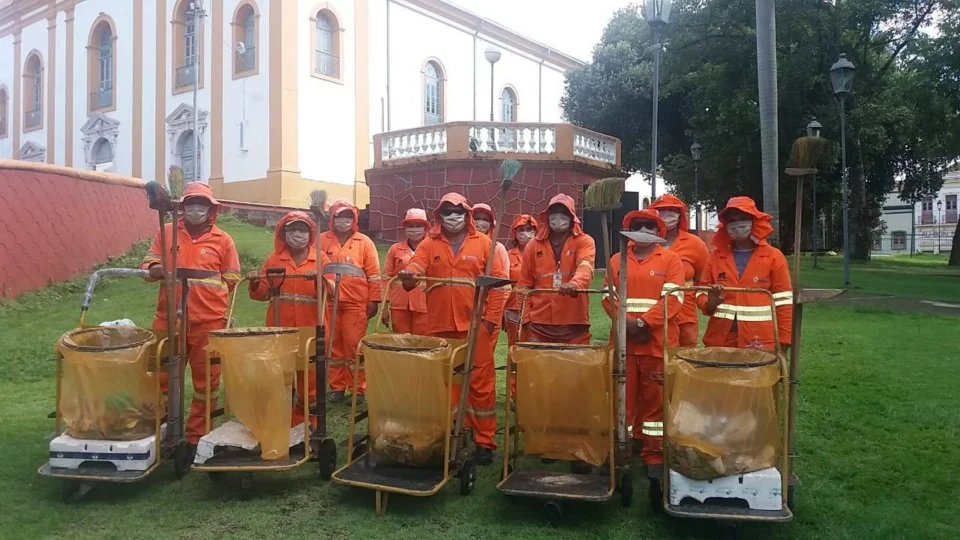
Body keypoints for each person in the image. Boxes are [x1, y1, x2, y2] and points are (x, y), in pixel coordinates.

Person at [399, 192, 508, 466]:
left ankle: (485, 440)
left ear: (467, 214)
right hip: (439, 326)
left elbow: (498, 287)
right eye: (447, 211)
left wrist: (489, 322)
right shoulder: (428, 244)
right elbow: (415, 267)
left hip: (475, 326)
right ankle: (449, 431)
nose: (453, 216)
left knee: (481, 387)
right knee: (444, 384)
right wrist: (410, 275)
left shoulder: (485, 243)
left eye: (459, 211)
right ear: (439, 216)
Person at [140, 182, 241, 454]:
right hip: (169, 317)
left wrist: (208, 296)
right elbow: (147, 265)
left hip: (208, 320)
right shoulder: (167, 231)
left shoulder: (223, 240)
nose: (197, 208)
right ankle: (161, 429)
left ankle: (197, 435)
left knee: (206, 382)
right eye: (192, 203)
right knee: (160, 376)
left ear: (210, 209)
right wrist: (156, 267)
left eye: (202, 204)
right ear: (183, 207)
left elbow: (232, 278)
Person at [601, 209, 684, 473]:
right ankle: (621, 445)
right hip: (624, 341)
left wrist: (643, 323)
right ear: (629, 230)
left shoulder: (671, 260)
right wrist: (624, 322)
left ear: (658, 232)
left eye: (650, 227)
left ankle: (654, 454)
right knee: (621, 397)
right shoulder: (617, 260)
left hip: (655, 341)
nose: (644, 231)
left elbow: (674, 299)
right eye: (639, 226)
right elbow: (607, 296)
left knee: (654, 399)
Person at [248, 211, 331, 429]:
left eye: (302, 229)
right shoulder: (274, 259)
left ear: (310, 233)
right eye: (292, 229)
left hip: (311, 329)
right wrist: (256, 283)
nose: (297, 233)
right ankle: (279, 423)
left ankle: (308, 425)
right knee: (280, 377)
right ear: (284, 233)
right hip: (279, 327)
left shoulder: (320, 258)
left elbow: (331, 291)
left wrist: (318, 280)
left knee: (309, 380)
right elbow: (263, 293)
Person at [697, 196, 793, 352]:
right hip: (721, 339)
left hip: (759, 340)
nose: (737, 224)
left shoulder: (774, 257)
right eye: (732, 220)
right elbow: (701, 292)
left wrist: (783, 343)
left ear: (754, 221)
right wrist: (710, 302)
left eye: (743, 218)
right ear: (725, 225)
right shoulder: (714, 257)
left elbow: (784, 303)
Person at [321, 199, 383, 403]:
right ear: (332, 218)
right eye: (339, 216)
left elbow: (374, 274)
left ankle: (358, 389)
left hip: (356, 303)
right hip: (329, 301)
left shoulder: (364, 242)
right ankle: (337, 387)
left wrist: (374, 300)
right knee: (333, 346)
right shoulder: (321, 241)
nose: (343, 220)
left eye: (348, 216)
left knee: (354, 346)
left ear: (354, 218)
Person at [517, 193, 596, 344]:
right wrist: (525, 320)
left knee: (575, 367)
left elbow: (585, 267)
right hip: (538, 326)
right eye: (554, 212)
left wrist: (575, 284)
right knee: (538, 368)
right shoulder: (533, 246)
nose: (558, 217)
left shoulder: (584, 241)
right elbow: (523, 286)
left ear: (572, 216)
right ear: (547, 216)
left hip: (574, 325)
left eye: (564, 212)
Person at [649, 194, 710, 347]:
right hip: (651, 311)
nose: (666, 214)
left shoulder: (695, 244)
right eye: (661, 210)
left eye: (671, 210)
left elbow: (704, 279)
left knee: (684, 358)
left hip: (685, 313)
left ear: (680, 215)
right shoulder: (643, 242)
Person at [382, 208, 430, 334]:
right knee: (401, 343)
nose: (414, 229)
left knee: (422, 344)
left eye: (418, 226)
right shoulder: (395, 249)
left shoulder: (432, 248)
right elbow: (386, 278)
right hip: (399, 305)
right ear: (405, 228)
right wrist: (384, 307)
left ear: (425, 227)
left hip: (425, 305)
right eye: (410, 226)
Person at [503, 214, 538, 347]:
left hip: (537, 308)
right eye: (521, 230)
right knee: (515, 344)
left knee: (535, 345)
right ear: (515, 233)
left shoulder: (541, 254)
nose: (526, 233)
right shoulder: (508, 256)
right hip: (513, 308)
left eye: (529, 229)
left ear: (535, 232)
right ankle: (513, 368)